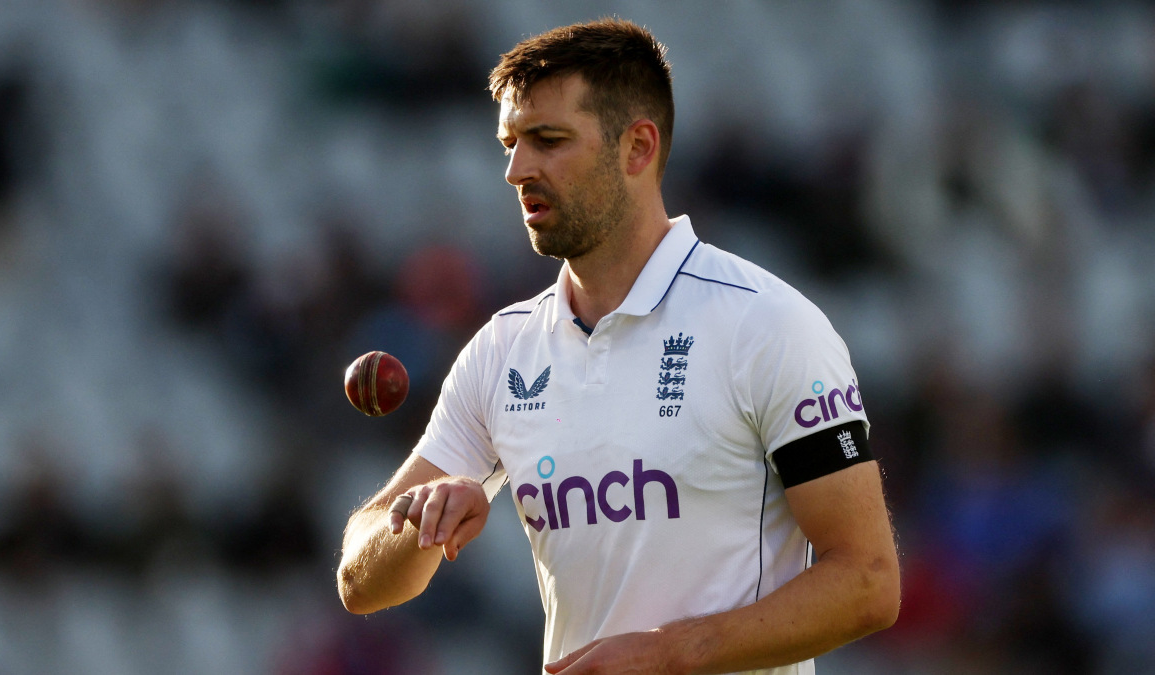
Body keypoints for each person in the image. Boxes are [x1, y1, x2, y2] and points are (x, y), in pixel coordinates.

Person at [337, 18, 899, 675]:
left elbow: (868, 580)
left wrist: (670, 653)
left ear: (637, 147)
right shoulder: (502, 351)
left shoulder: (765, 324)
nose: (518, 169)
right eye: (510, 143)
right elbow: (360, 579)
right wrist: (416, 524)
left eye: (548, 140)